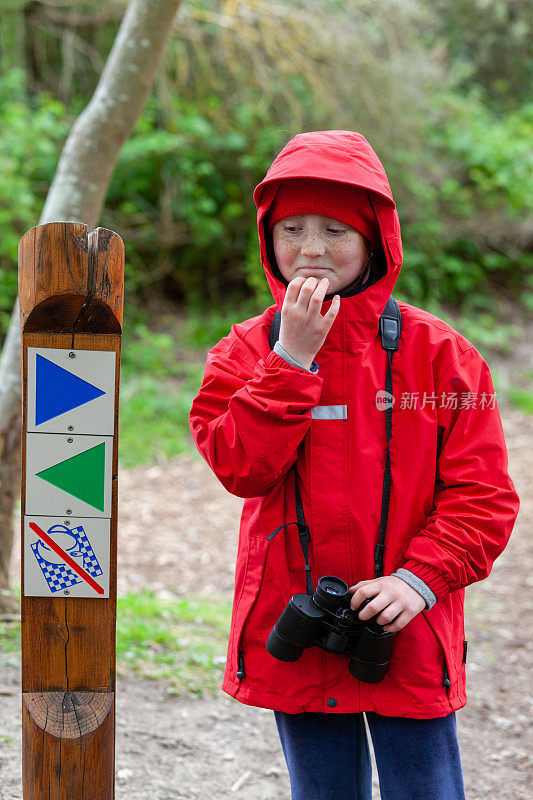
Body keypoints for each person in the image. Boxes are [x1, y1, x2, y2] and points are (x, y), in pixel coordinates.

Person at [188, 130, 519, 799]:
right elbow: (238, 466)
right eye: (292, 229)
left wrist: (417, 581)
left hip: (405, 627)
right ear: (266, 237)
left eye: (335, 229)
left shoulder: (441, 359)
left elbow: (482, 497)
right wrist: (290, 361)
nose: (310, 249)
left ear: (376, 241)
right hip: (296, 627)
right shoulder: (244, 352)